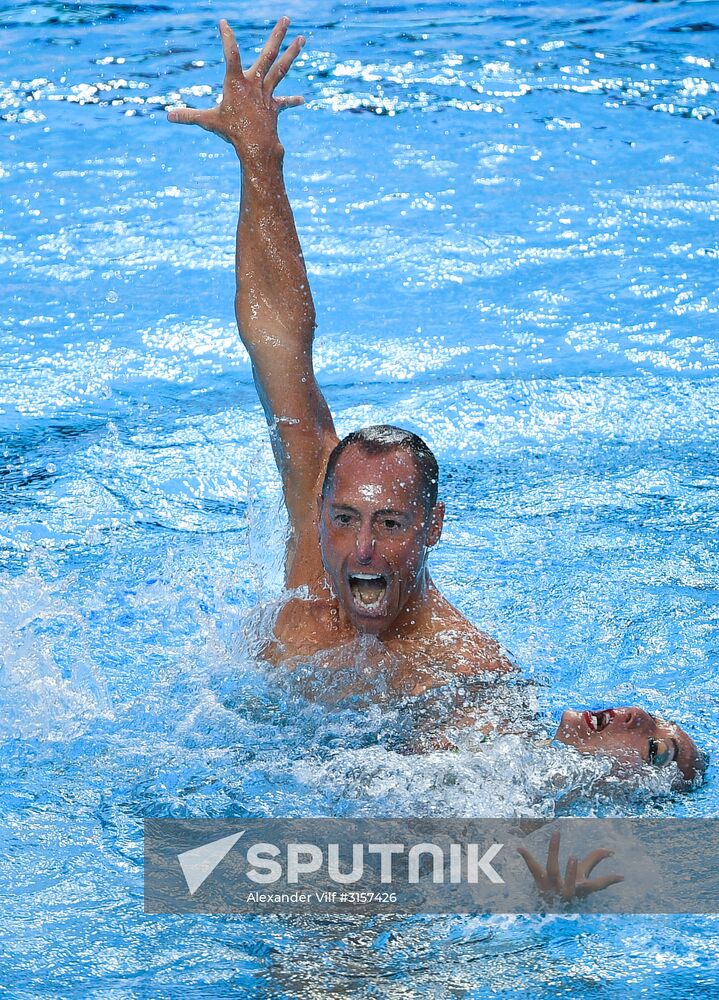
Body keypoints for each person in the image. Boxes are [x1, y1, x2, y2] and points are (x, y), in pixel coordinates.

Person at [167, 18, 514, 695]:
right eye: (345, 518)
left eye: (389, 524)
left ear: (431, 527)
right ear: (317, 510)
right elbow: (276, 342)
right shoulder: (312, 544)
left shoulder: (464, 672)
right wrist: (258, 156)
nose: (360, 550)